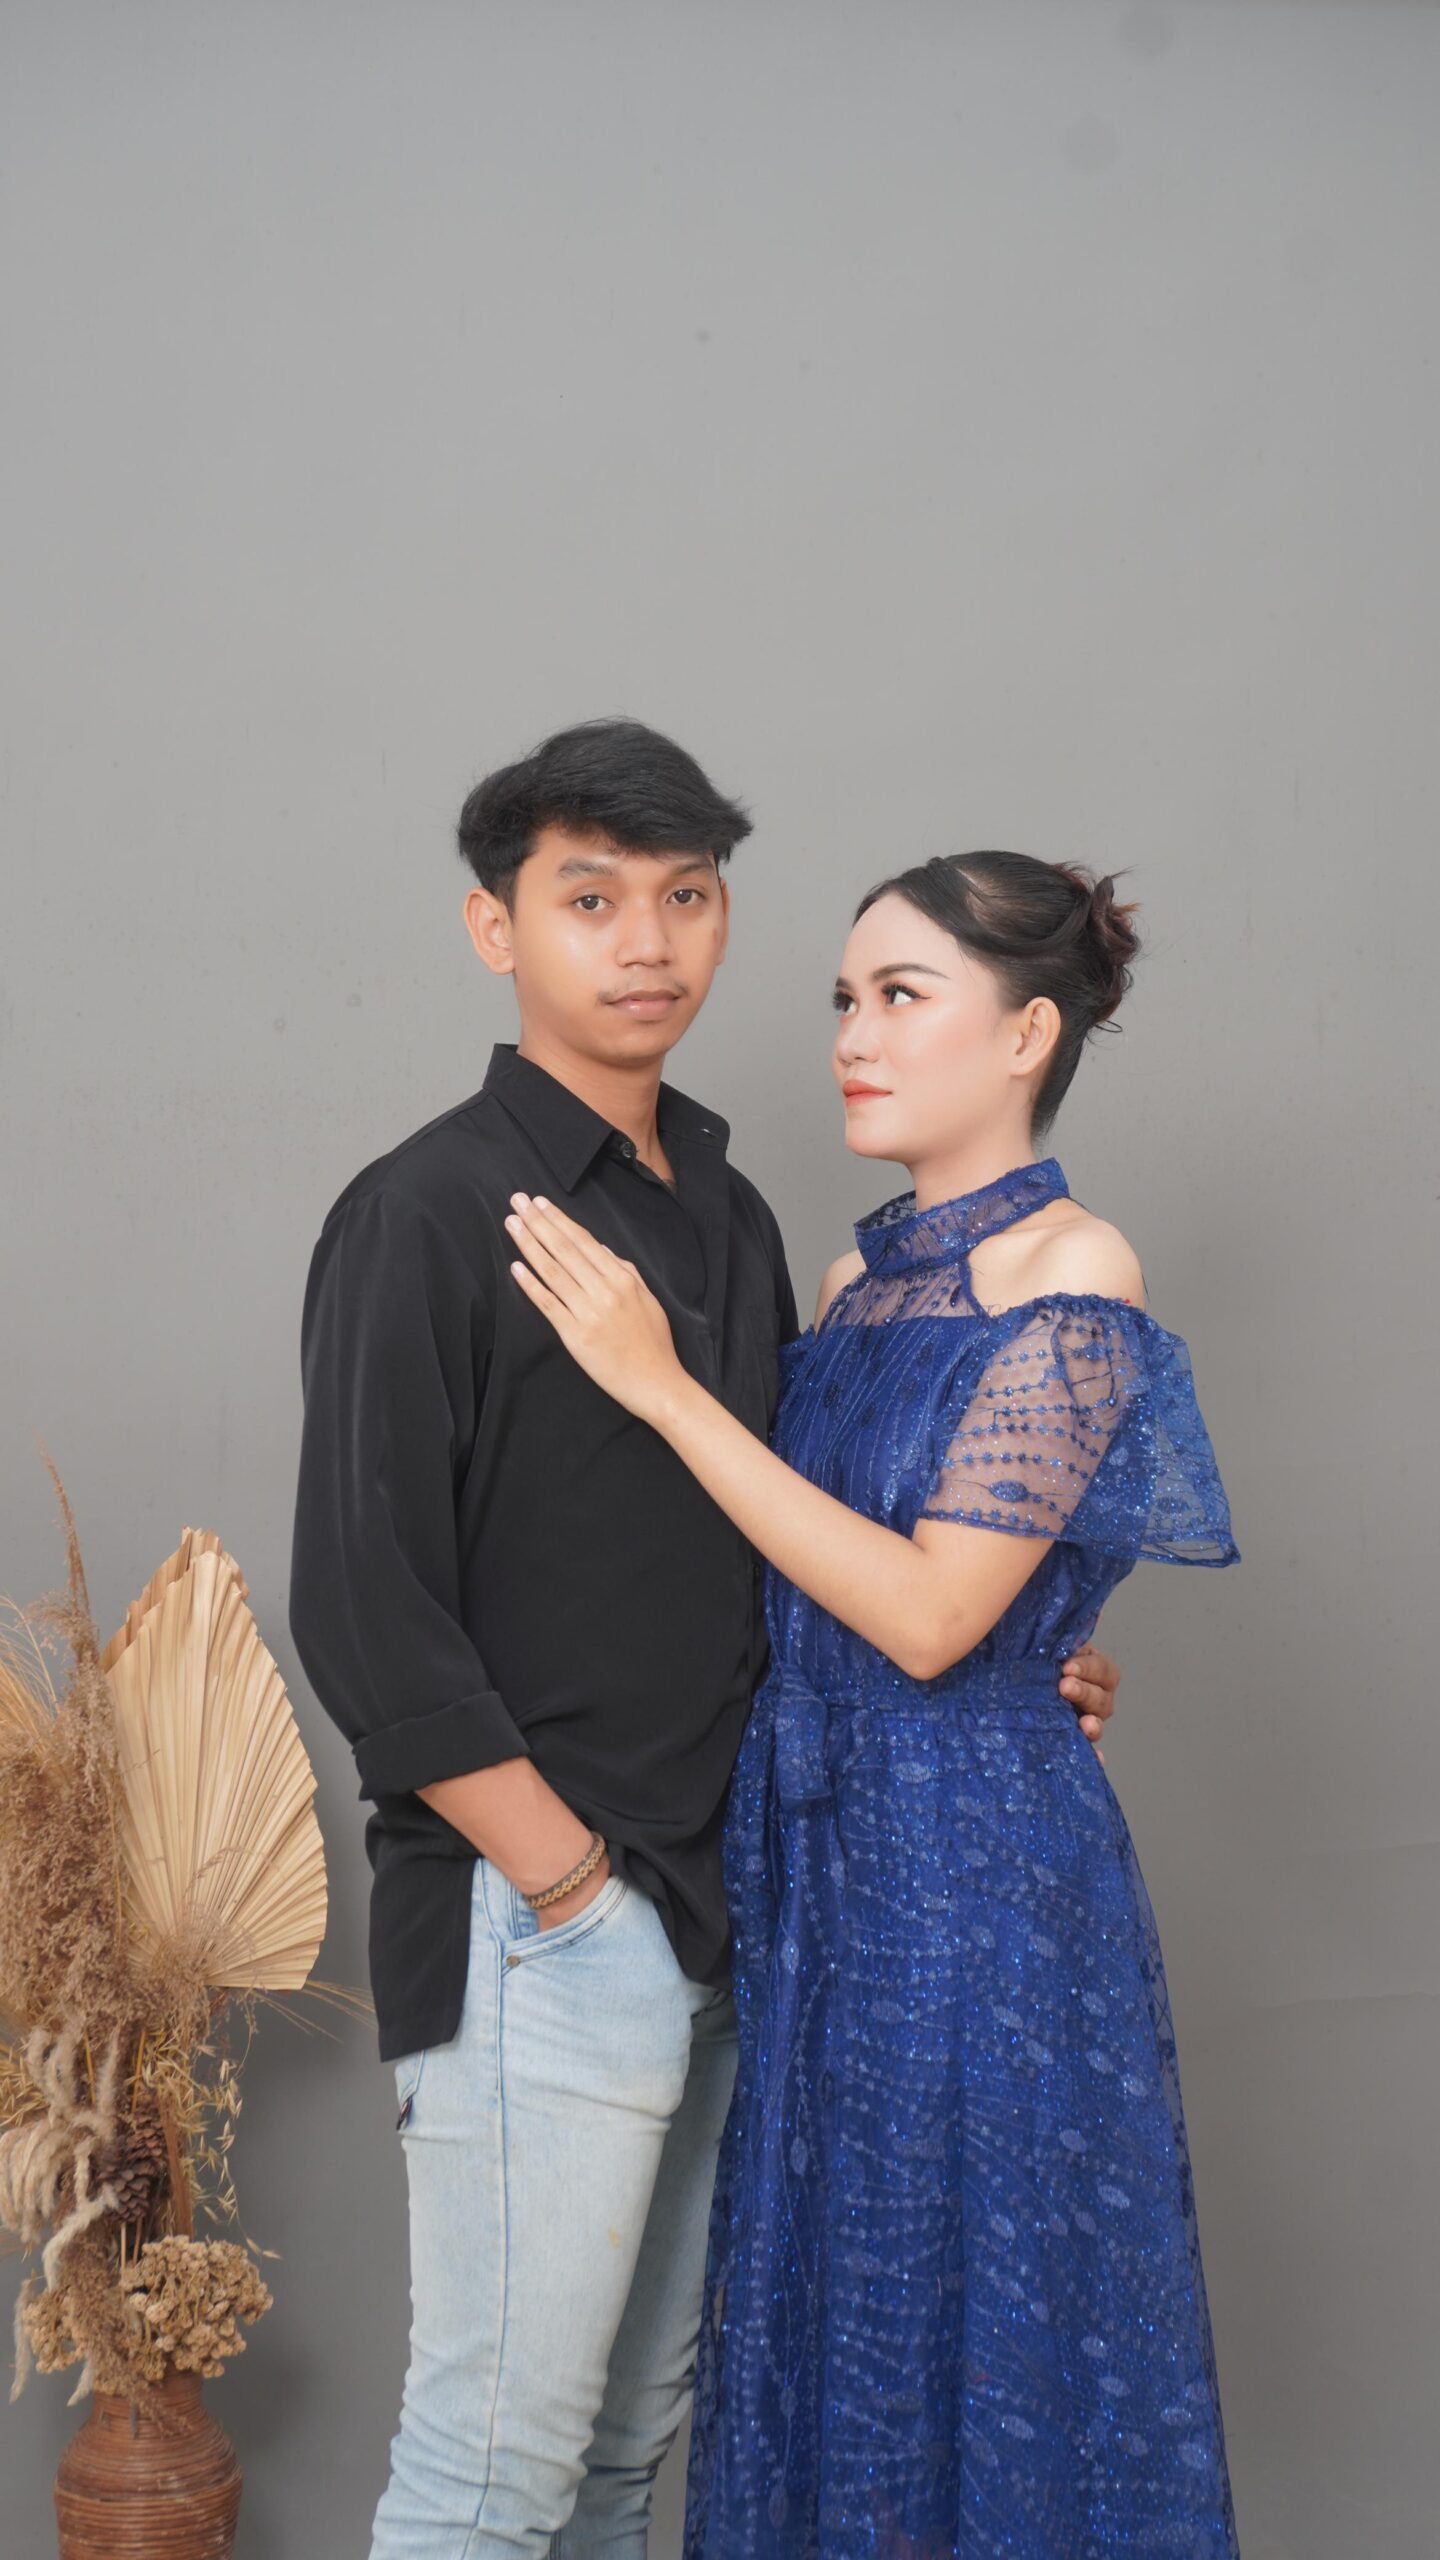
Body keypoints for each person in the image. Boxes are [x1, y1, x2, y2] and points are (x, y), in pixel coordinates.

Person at [287, 725, 1121, 2559]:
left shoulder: (734, 1222)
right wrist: (567, 1885)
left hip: (731, 1909)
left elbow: (807, 1555)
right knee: (492, 2473)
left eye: (685, 897)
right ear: (497, 929)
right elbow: (362, 1602)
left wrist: (1019, 1662)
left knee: (619, 2458)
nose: (647, 941)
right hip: (541, 1915)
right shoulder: (430, 1209)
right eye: (589, 900)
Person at [504, 847, 1240, 2559]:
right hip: (822, 1871)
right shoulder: (851, 1286)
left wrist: (665, 1391)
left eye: (903, 996)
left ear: (1027, 1034)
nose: (852, 1035)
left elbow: (924, 1615)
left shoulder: (1079, 1270)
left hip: (981, 1887)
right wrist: (1042, 1645)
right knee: (836, 2318)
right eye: (845, 998)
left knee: (984, 2321)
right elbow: (822, 1584)